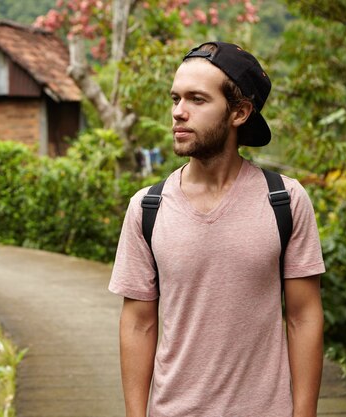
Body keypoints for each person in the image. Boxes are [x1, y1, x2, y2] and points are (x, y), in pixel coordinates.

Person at [108, 41, 326, 417]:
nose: (178, 112)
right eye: (175, 99)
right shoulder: (148, 207)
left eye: (196, 100)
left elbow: (303, 317)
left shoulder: (285, 200)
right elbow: (139, 325)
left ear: (239, 112)